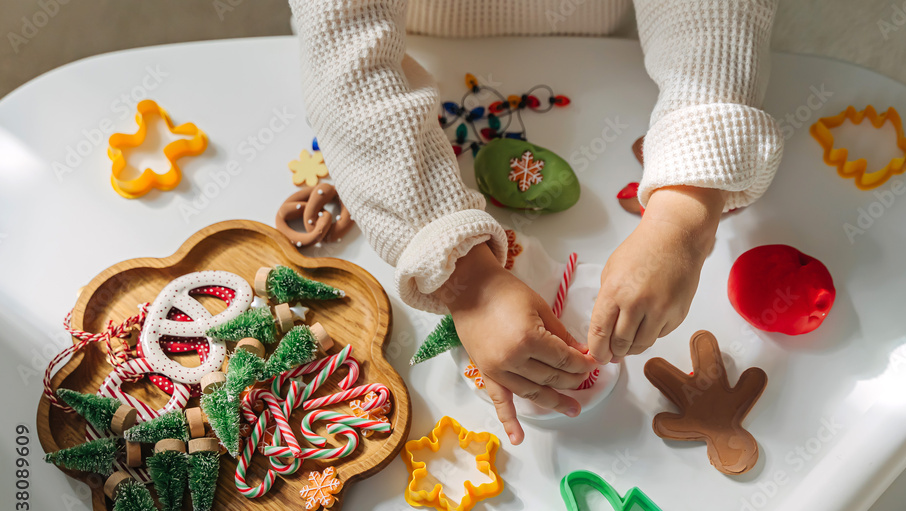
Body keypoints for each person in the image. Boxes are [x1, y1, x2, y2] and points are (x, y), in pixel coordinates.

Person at [289, 0, 783, 445]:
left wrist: (686, 215)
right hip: (415, 51)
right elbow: (345, 62)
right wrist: (466, 277)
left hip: (602, 46)